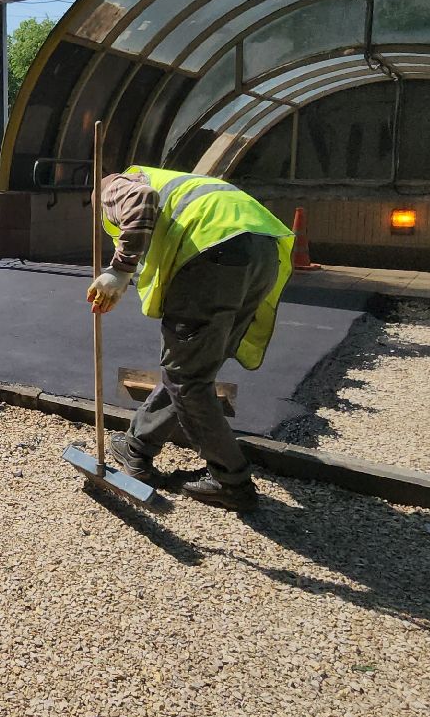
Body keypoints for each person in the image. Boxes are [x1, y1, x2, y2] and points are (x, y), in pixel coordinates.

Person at [87, 167, 295, 512]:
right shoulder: (174, 182)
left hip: (214, 258)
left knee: (188, 378)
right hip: (261, 254)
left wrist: (120, 269)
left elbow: (141, 201)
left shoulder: (114, 188)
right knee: (191, 370)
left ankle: (231, 481)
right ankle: (136, 446)